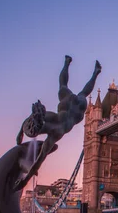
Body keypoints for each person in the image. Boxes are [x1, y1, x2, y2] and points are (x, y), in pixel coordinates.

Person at [14, 56, 101, 190]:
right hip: (71, 105)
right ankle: (71, 64)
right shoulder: (49, 117)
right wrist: (20, 132)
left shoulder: (54, 136)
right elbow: (32, 118)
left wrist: (25, 181)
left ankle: (94, 72)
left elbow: (38, 162)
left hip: (76, 112)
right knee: (65, 86)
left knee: (79, 91)